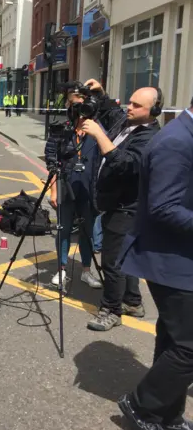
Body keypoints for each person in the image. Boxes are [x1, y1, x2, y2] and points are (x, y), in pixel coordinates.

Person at [116, 96, 193, 430]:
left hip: (180, 256)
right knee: (189, 346)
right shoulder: (176, 142)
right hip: (169, 259)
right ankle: (141, 405)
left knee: (175, 339)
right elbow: (163, 207)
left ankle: (167, 412)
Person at [82, 84, 161, 332]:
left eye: (137, 105)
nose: (130, 107)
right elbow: (110, 111)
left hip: (127, 208)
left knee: (112, 262)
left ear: (154, 110)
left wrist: (98, 134)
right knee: (125, 258)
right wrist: (100, 93)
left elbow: (125, 165)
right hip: (116, 202)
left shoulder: (149, 137)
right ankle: (133, 302)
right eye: (130, 101)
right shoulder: (129, 122)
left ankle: (111, 309)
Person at [45, 84, 102, 289]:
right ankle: (61, 270)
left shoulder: (97, 130)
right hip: (65, 187)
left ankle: (86, 271)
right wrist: (53, 188)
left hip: (89, 190)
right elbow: (52, 161)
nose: (78, 108)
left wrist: (100, 93)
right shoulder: (61, 130)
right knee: (64, 229)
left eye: (81, 103)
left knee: (88, 231)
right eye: (73, 103)